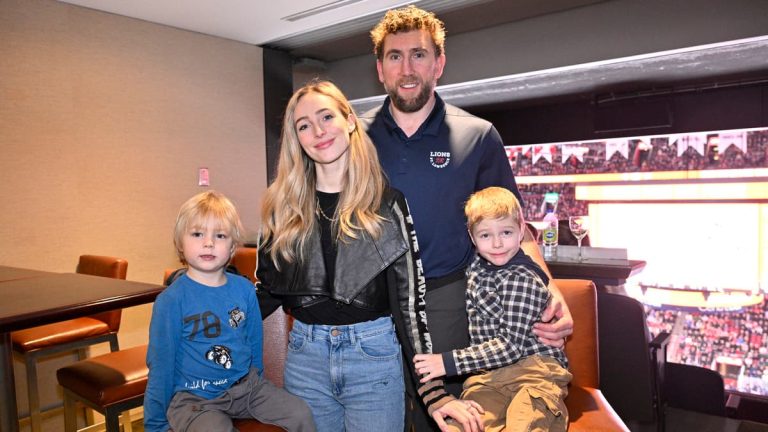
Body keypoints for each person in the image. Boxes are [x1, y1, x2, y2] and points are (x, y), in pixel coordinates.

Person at [363, 5, 574, 429]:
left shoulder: (478, 135)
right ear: (380, 69)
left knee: (455, 421)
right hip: (375, 307)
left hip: (452, 303)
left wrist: (552, 293)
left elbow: (514, 226)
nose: (407, 68)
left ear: (439, 63)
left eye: (419, 55)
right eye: (395, 56)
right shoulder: (355, 140)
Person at [255, 80, 484, 432]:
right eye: (303, 125)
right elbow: (264, 294)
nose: (317, 131)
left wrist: (433, 390)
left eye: (326, 117)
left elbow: (409, 305)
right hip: (305, 357)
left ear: (349, 121)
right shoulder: (279, 209)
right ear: (296, 139)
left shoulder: (387, 204)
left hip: (373, 357)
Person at [144, 190, 316, 432]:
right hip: (195, 399)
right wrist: (155, 425)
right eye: (197, 233)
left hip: (246, 387)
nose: (209, 242)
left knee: (301, 414)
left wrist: (255, 381)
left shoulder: (245, 290)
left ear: (233, 245)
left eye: (220, 235)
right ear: (179, 243)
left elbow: (254, 343)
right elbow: (160, 366)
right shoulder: (171, 301)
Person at [414, 187, 572, 431]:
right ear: (472, 236)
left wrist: (447, 362)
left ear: (521, 230)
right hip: (488, 377)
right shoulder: (477, 266)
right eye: (486, 235)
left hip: (534, 372)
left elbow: (510, 346)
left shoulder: (521, 277)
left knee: (526, 425)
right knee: (461, 425)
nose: (497, 244)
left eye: (506, 232)